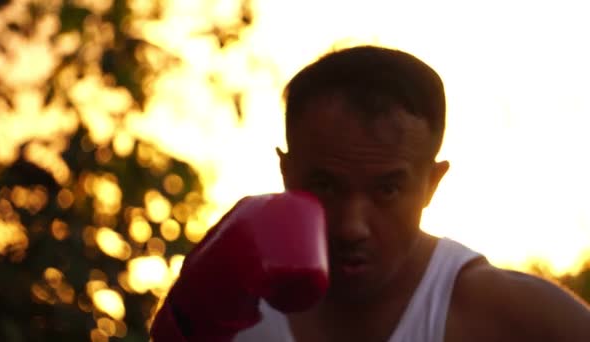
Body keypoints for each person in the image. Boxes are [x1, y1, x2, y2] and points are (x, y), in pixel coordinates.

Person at [151, 45, 590, 341]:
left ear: (432, 184)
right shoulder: (237, 302)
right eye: (324, 186)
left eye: (387, 189)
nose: (351, 226)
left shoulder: (492, 311)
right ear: (287, 173)